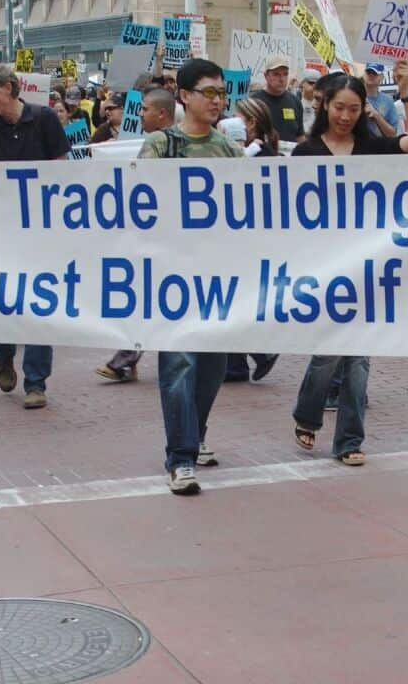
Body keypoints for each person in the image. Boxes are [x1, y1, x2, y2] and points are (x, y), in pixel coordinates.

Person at [287, 64, 408, 467]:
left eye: (353, 108)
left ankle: (349, 440)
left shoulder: (372, 147)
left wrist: (406, 94)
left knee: (360, 358)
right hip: (323, 267)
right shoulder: (306, 153)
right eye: (339, 108)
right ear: (324, 106)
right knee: (327, 353)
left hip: (368, 267)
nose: (345, 116)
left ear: (363, 109)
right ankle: (307, 414)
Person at [139, 58, 244, 494]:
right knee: (179, 364)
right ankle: (180, 458)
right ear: (184, 96)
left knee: (212, 368)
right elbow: (138, 205)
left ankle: (195, 437)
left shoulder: (230, 151)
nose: (217, 101)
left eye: (222, 93)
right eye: (209, 93)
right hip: (172, 277)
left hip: (219, 277)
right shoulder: (161, 146)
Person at [0, 64, 71, 410]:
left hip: (42, 232)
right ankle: (3, 353)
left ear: (9, 89)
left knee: (41, 304)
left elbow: (62, 170)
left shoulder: (44, 120)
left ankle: (36, 381)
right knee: (1, 299)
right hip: (2, 232)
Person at [94, 87, 179, 385]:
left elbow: (142, 184)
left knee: (151, 295)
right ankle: (126, 360)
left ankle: (126, 359)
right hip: (169, 235)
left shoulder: (158, 142)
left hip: (164, 236)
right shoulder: (174, 140)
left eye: (144, 109)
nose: (140, 114)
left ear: (161, 114)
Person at [223, 97, 282, 383]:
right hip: (242, 239)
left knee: (237, 298)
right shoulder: (248, 154)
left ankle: (252, 355)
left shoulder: (261, 157)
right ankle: (247, 357)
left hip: (250, 240)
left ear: (250, 123)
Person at [250, 54, 304, 142]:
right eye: (276, 74)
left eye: (285, 74)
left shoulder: (295, 102)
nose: (282, 79)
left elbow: (300, 136)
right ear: (266, 76)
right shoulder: (254, 103)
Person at [360, 62, 400, 138]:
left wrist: (376, 115)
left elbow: (392, 134)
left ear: (382, 77)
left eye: (375, 73)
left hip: (381, 147)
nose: (371, 75)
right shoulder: (355, 97)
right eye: (368, 72)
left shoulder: (388, 100)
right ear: (364, 75)